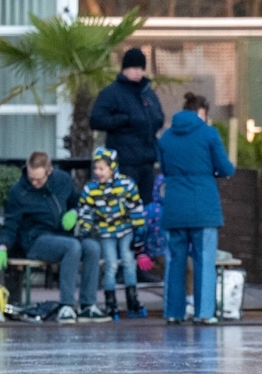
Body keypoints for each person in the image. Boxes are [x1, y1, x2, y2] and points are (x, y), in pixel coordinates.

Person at [0, 152, 107, 323]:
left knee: (92, 247)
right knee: (72, 247)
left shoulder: (62, 180)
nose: (34, 183)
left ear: (49, 171)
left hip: (62, 234)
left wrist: (74, 213)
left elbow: (77, 202)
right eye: (31, 178)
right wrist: (2, 247)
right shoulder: (19, 191)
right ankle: (66, 305)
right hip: (36, 239)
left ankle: (88, 305)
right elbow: (11, 225)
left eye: (39, 179)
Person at [158, 92, 236, 324]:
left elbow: (164, 169)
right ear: (202, 113)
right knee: (204, 261)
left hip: (174, 206)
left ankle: (173, 312)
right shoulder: (209, 134)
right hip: (204, 207)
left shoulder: (165, 137)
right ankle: (204, 313)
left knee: (175, 262)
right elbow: (226, 168)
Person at [77, 147, 150, 319]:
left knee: (128, 261)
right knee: (111, 265)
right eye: (96, 168)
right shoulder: (91, 189)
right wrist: (85, 227)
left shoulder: (126, 184)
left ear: (113, 168)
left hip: (125, 229)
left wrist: (139, 229)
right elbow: (85, 210)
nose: (98, 172)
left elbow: (135, 207)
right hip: (106, 231)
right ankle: (111, 304)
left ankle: (132, 301)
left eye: (102, 168)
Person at [89, 47, 165, 202]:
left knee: (145, 205)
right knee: (125, 204)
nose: (138, 72)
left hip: (147, 161)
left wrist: (155, 120)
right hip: (124, 162)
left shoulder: (147, 93)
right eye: (134, 68)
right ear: (125, 69)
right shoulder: (111, 93)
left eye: (141, 68)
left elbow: (158, 116)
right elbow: (96, 120)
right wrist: (123, 120)